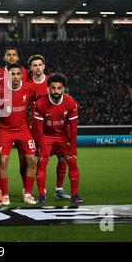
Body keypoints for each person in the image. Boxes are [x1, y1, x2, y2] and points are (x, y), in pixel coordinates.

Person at [33, 73, 84, 205]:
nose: (56, 91)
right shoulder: (40, 103)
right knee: (42, 161)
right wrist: (41, 149)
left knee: (70, 161)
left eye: (59, 88)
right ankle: (41, 195)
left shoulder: (71, 102)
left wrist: (72, 149)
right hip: (46, 136)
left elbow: (73, 129)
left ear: (64, 88)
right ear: (48, 88)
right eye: (53, 88)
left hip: (62, 135)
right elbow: (38, 130)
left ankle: (73, 194)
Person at [0, 63, 38, 205]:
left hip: (23, 129)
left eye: (18, 74)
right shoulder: (0, 91)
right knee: (3, 161)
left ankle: (28, 193)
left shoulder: (29, 88)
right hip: (5, 130)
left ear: (22, 75)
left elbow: (37, 102)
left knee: (31, 160)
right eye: (12, 74)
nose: (16, 76)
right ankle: (4, 194)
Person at [27, 55, 70, 200]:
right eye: (34, 65)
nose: (38, 67)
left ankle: (59, 188)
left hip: (56, 128)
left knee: (63, 158)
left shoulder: (52, 82)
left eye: (40, 64)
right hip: (37, 127)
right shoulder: (27, 84)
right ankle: (33, 189)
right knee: (33, 160)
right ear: (30, 68)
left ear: (44, 66)